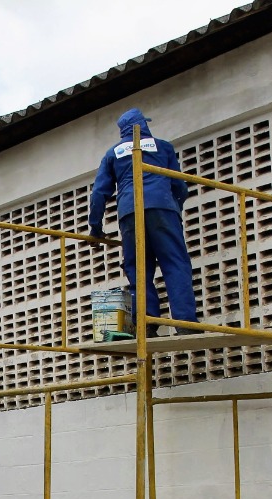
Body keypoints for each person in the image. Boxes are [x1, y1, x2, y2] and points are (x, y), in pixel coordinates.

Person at [88, 107, 199, 334]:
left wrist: (95, 229)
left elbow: (99, 193)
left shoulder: (112, 154)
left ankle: (147, 324)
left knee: (138, 268)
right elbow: (180, 185)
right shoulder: (163, 147)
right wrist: (175, 209)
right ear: (144, 125)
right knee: (175, 263)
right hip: (162, 208)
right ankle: (185, 324)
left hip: (130, 213)